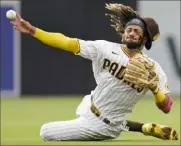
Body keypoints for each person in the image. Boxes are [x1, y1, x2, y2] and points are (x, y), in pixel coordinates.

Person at [10, 3, 178, 141]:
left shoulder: (154, 69)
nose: (131, 33)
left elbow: (167, 106)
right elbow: (66, 42)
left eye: (136, 32)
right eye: (129, 30)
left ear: (145, 39)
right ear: (123, 33)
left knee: (45, 131)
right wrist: (33, 30)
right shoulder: (104, 48)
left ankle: (118, 127)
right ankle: (142, 127)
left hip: (102, 126)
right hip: (89, 105)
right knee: (87, 100)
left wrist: (155, 89)